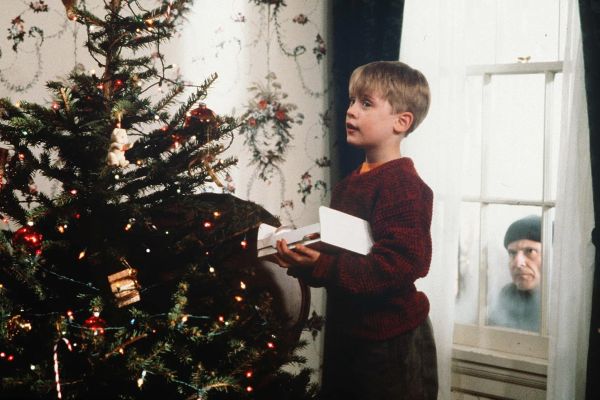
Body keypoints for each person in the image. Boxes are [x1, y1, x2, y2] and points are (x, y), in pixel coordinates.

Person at [273, 61, 437, 399]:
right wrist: (305, 259)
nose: (351, 111)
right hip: (349, 335)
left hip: (391, 341)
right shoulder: (350, 184)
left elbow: (402, 264)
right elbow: (344, 262)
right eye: (351, 101)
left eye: (366, 103)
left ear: (401, 121)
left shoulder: (403, 185)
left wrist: (322, 265)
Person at [488, 215, 542, 332]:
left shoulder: (562, 300)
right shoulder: (508, 293)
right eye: (512, 253)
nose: (518, 263)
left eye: (530, 251)